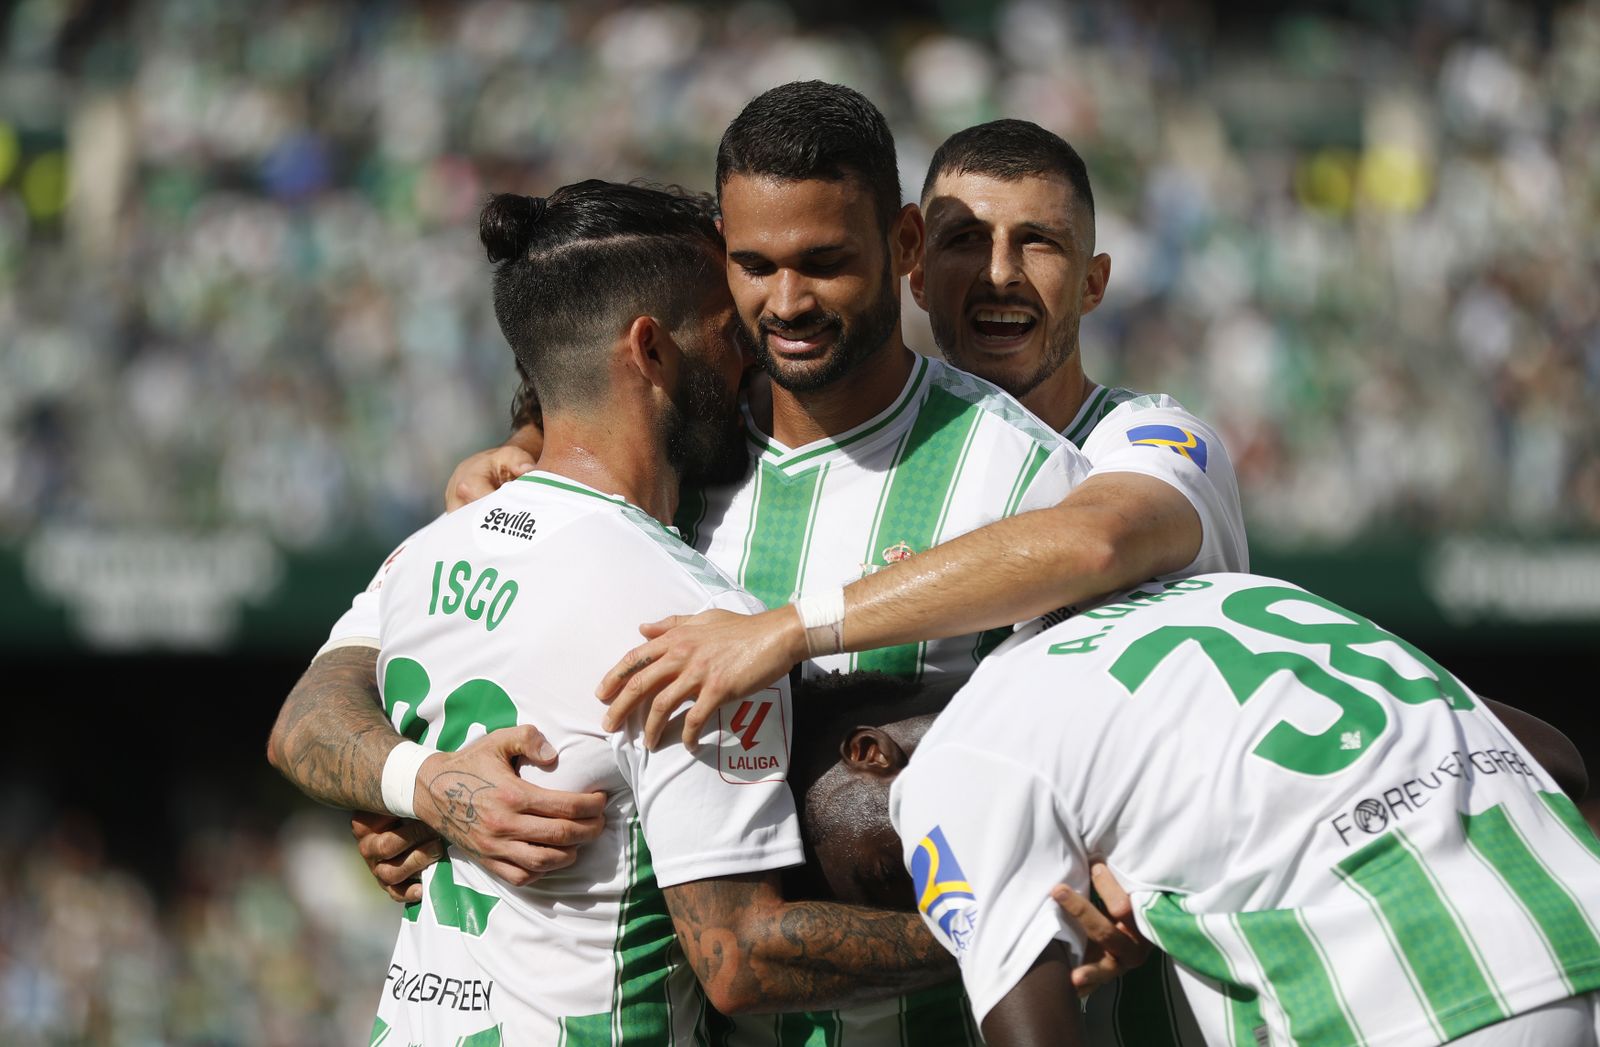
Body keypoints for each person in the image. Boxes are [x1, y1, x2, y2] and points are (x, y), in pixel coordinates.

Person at [289, 179, 959, 1044]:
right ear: (650, 349)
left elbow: (303, 721)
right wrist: (996, 932)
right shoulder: (696, 621)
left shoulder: (428, 550)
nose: (752, 360)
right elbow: (739, 957)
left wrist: (418, 783)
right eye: (728, 334)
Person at [594, 117, 1247, 749]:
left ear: (1094, 283)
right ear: (919, 269)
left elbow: (1094, 539)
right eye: (964, 240)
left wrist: (789, 631)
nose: (999, 273)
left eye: (1037, 242)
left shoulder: (1135, 437)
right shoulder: (710, 431)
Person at [790, 574, 1600, 1046]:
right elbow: (1555, 754)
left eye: (890, 874)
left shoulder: (951, 767)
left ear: (870, 752)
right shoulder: (1217, 593)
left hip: (1418, 992)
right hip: (1575, 917)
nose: (925, 900)